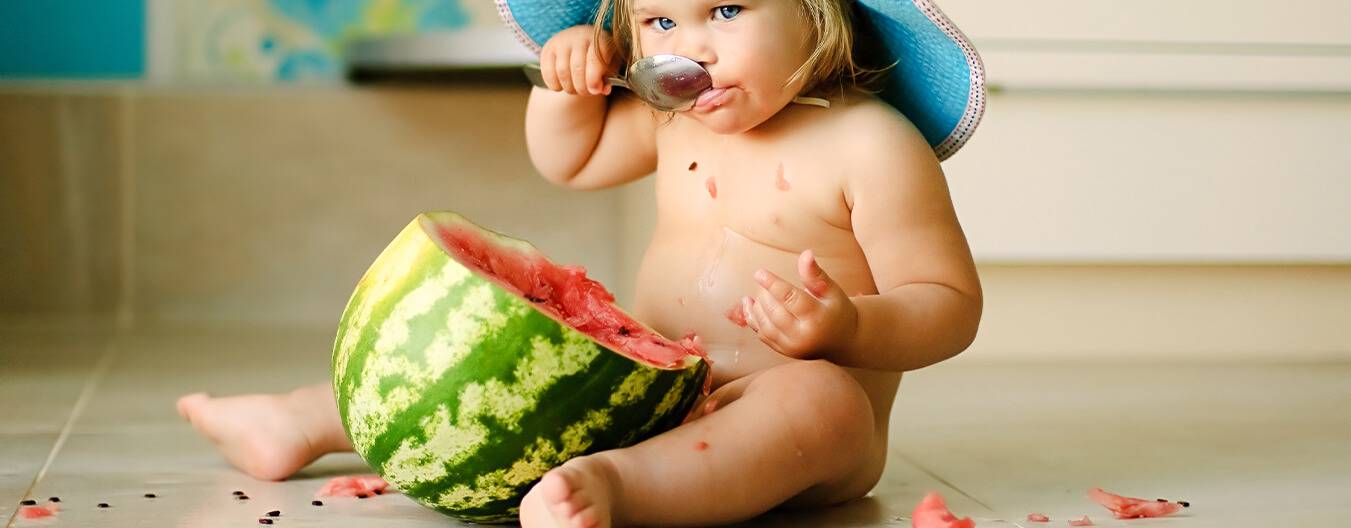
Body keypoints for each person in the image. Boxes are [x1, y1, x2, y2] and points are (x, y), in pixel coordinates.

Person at [178, 0, 987, 526]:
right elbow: (572, 159)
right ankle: (296, 421)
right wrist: (565, 86)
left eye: (727, 9)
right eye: (659, 22)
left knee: (819, 399)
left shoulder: (872, 145)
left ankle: (623, 490)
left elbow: (947, 303)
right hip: (655, 388)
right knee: (520, 362)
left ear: (820, 11)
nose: (689, 45)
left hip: (803, 426)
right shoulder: (678, 121)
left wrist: (846, 324)